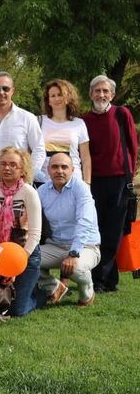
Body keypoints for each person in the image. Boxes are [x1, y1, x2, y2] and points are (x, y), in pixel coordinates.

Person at [82, 75, 137, 293]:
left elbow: (132, 146)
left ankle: (103, 280)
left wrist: (129, 175)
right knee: (96, 229)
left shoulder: (122, 113)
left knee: (113, 230)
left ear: (112, 95)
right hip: (93, 180)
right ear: (90, 94)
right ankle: (104, 278)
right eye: (97, 91)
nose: (101, 95)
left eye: (105, 91)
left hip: (119, 180)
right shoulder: (84, 120)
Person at [0, 147, 42, 317]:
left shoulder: (29, 192)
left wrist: (16, 264)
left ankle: (41, 295)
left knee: (16, 311)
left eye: (13, 165)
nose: (7, 168)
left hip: (26, 255)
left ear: (22, 169)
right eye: (3, 164)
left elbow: (35, 235)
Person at [37, 153, 101, 307]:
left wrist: (74, 253)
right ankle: (54, 287)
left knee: (75, 268)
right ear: (48, 170)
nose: (59, 171)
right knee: (25, 260)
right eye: (55, 167)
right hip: (56, 245)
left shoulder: (81, 189)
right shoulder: (42, 191)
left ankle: (87, 294)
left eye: (64, 167)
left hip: (86, 246)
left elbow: (84, 222)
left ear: (72, 170)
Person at [0, 71, 46, 184]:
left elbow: (39, 149)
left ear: (12, 91)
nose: (1, 92)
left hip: (18, 181)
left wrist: (29, 174)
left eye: (5, 88)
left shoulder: (27, 118)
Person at [39, 79, 91, 182]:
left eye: (60, 94)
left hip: (73, 180)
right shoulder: (39, 122)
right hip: (44, 180)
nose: (57, 98)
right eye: (53, 96)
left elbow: (85, 158)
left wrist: (87, 183)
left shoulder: (79, 123)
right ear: (48, 100)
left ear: (68, 98)